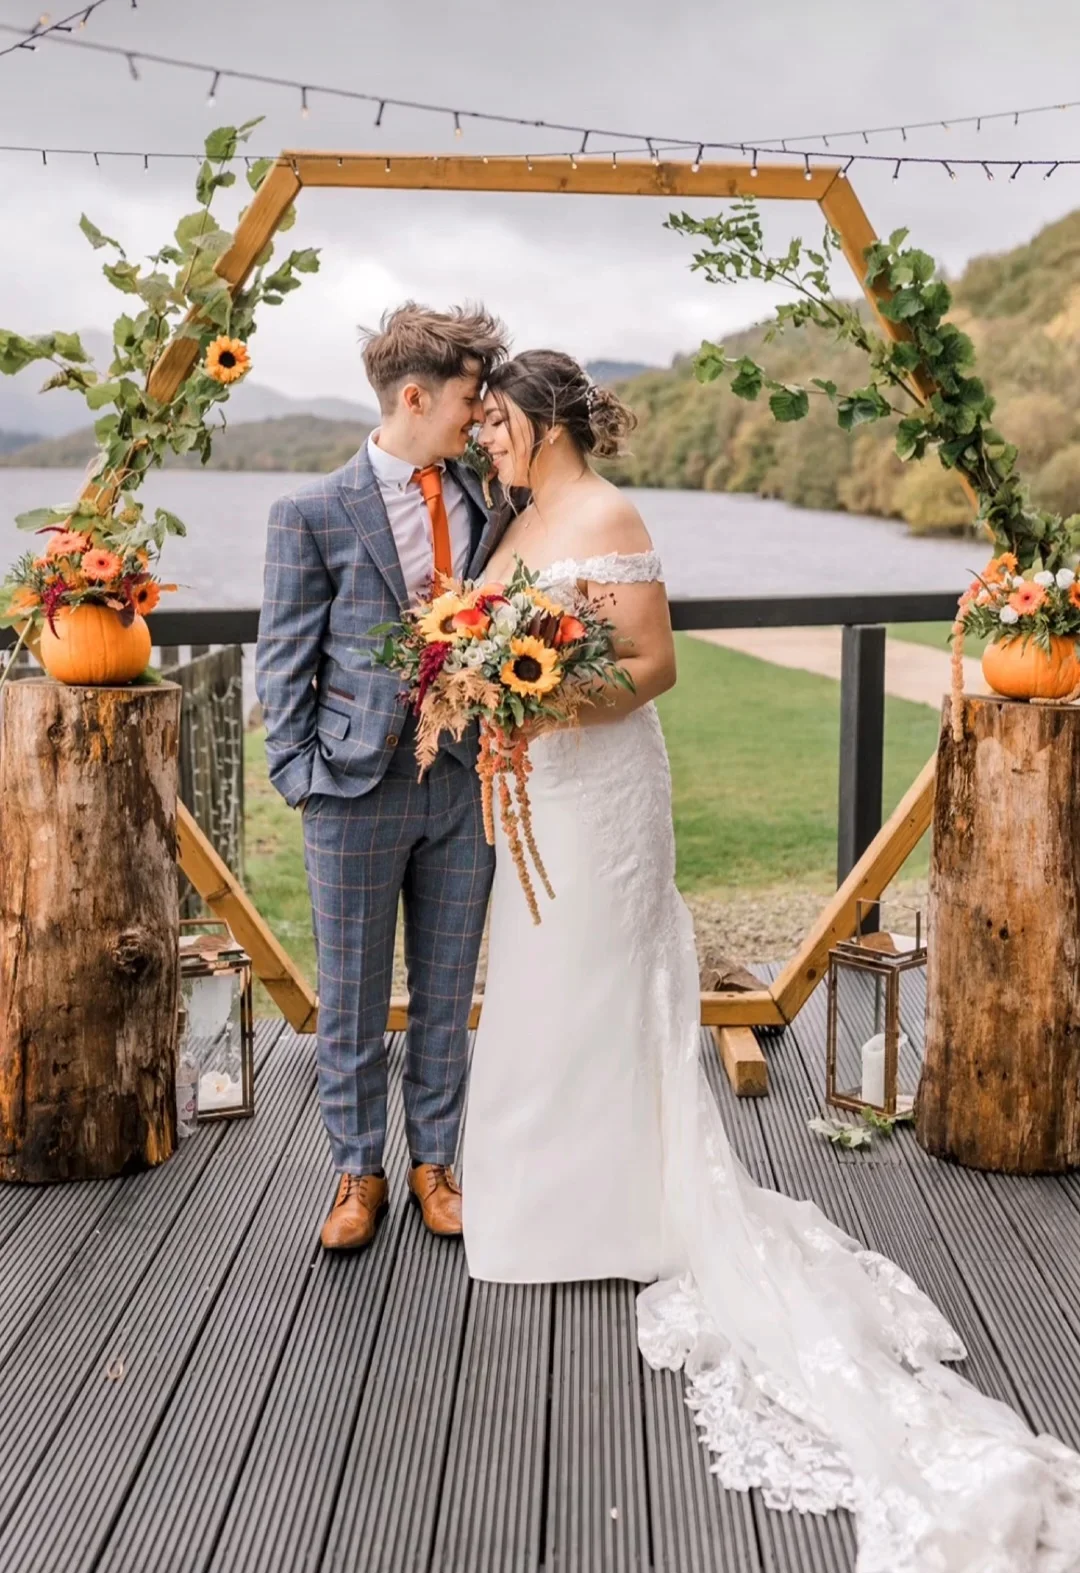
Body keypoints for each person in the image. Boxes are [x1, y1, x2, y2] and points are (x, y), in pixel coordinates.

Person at [462, 348, 1080, 1571]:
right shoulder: (521, 520)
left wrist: (539, 707)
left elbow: (652, 667)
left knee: (601, 988)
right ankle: (541, 1209)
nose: (484, 441)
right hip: (538, 800)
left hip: (603, 793)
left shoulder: (611, 515)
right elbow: (488, 645)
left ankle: (627, 1210)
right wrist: (490, 695)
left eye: (493, 424)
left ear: (541, 421)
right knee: (538, 992)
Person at [255, 302, 511, 1252]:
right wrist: (301, 777)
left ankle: (434, 1164)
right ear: (414, 395)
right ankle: (356, 1173)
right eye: (469, 398)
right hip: (351, 791)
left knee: (447, 990)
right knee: (352, 995)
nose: (478, 416)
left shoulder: (488, 493)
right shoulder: (313, 512)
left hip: (460, 783)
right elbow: (281, 656)